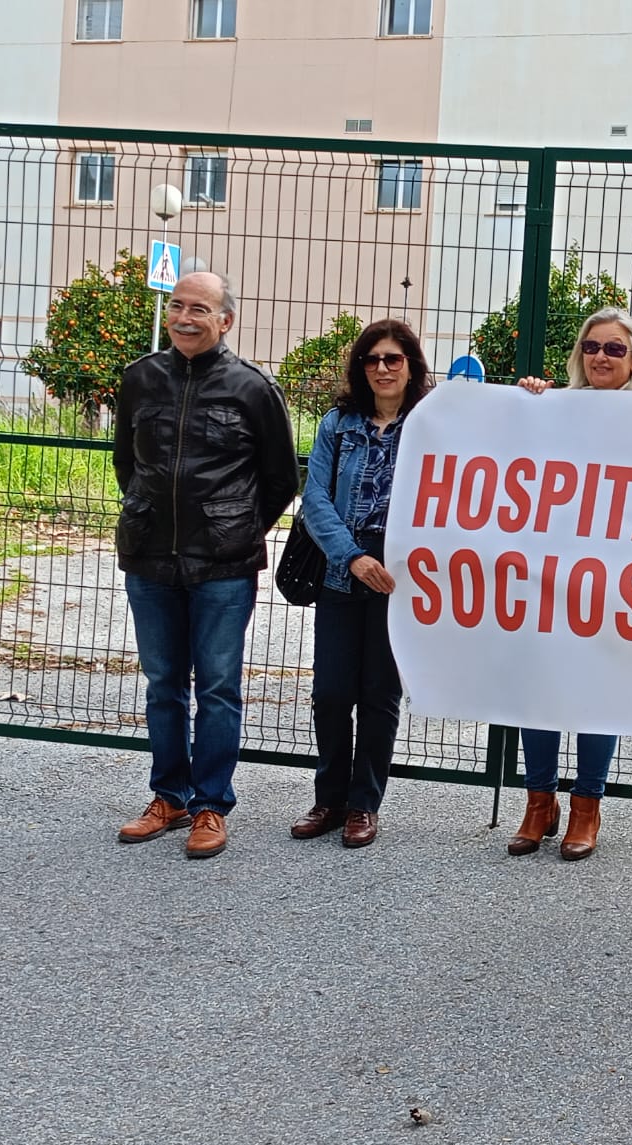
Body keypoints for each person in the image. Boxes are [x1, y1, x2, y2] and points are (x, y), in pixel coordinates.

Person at [113, 272, 299, 859]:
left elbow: (279, 480)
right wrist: (146, 514)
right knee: (163, 684)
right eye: (177, 306)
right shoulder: (139, 379)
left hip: (223, 566)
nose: (185, 317)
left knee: (218, 688)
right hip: (149, 559)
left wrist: (234, 528)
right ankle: (167, 797)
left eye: (200, 308)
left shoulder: (252, 389)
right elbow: (127, 464)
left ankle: (210, 806)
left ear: (226, 321)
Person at [509, 307, 632, 860]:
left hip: (618, 579)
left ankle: (586, 806)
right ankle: (538, 803)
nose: (601, 357)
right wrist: (524, 401)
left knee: (598, 691)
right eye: (592, 347)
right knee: (540, 688)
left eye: (615, 349)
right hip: (550, 574)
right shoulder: (552, 408)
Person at [289, 320, 432, 849]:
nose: (382, 369)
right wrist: (350, 557)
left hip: (402, 574)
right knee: (330, 692)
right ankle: (328, 799)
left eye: (394, 359)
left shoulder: (431, 424)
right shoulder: (338, 423)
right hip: (342, 568)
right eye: (372, 360)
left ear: (412, 366)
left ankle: (364, 806)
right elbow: (316, 500)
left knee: (379, 694)